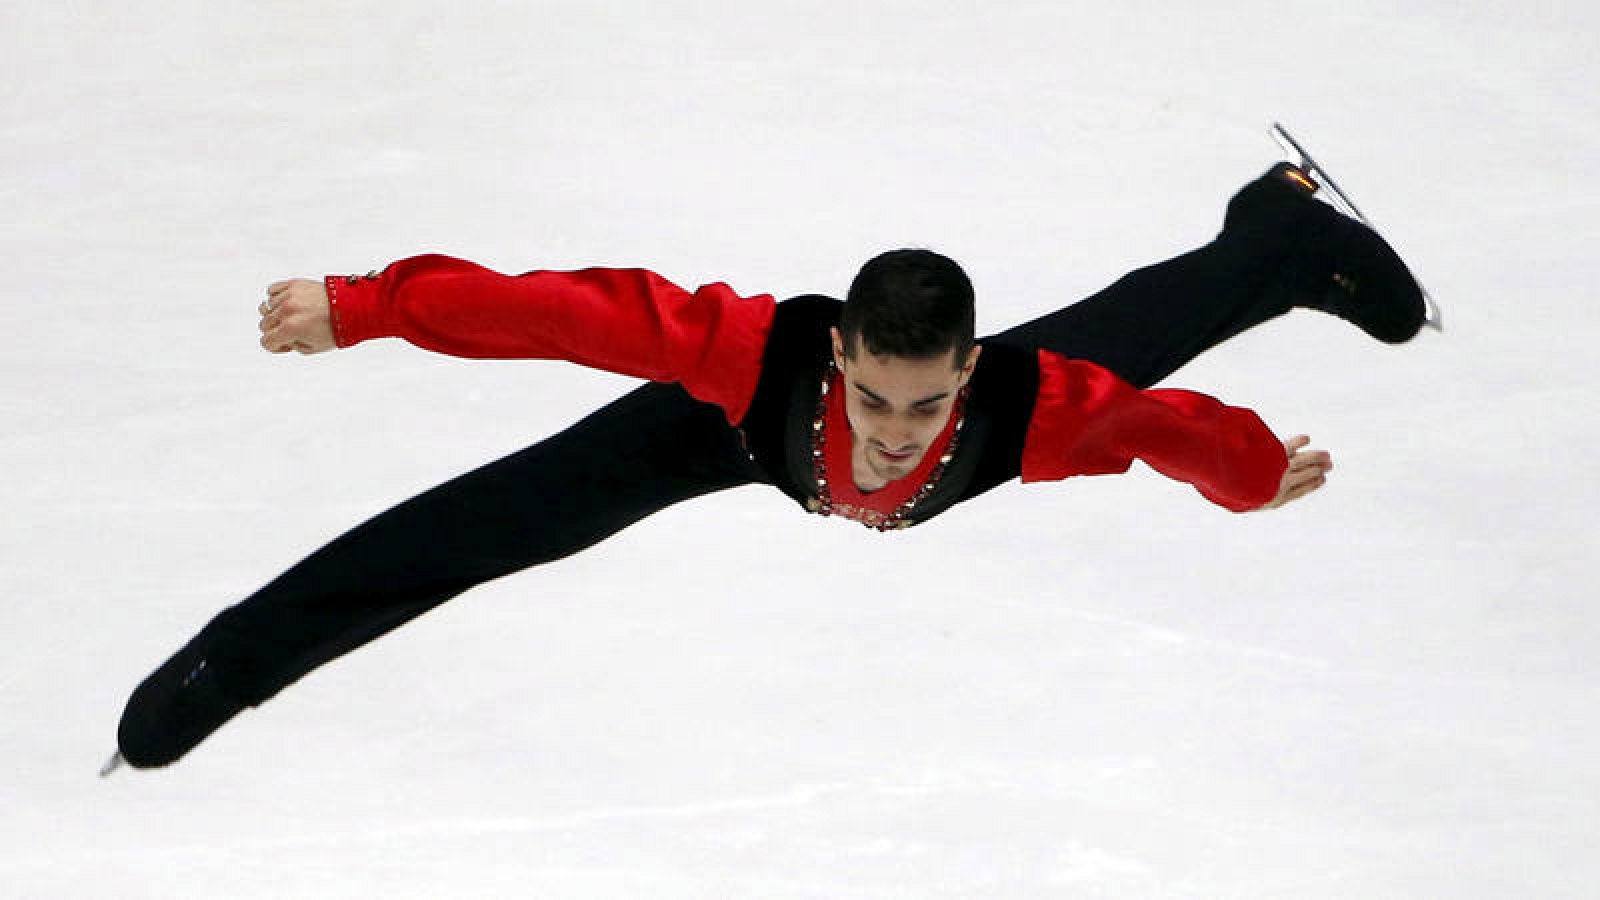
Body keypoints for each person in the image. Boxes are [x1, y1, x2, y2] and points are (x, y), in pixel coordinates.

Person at [111, 159, 1426, 770]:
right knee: (501, 518)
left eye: (922, 402)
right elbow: (554, 312)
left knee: (1124, 345)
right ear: (840, 348)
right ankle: (233, 659)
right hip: (720, 432)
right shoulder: (749, 354)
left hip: (1015, 402)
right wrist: (363, 304)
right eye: (871, 391)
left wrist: (1255, 476)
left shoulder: (1027, 406)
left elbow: (1167, 426)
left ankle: (1273, 237)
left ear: (964, 372)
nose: (894, 429)